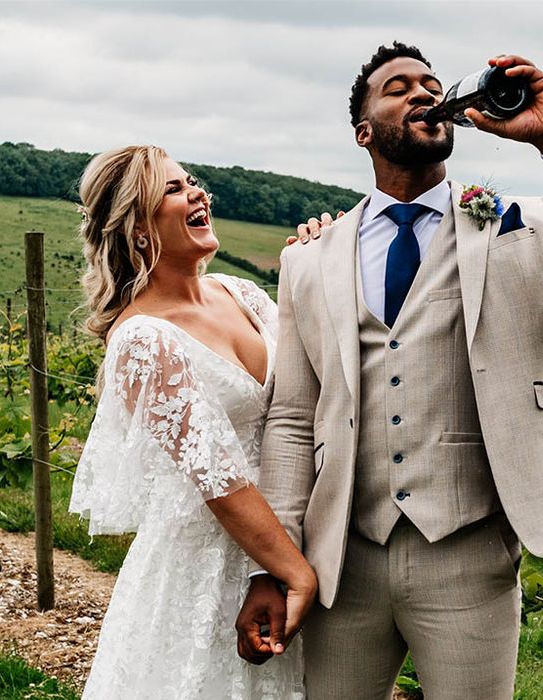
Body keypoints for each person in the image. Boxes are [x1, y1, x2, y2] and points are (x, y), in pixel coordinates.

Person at [236, 44, 543, 700]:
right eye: (398, 87)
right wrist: (278, 564)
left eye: (431, 85)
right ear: (364, 131)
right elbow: (292, 418)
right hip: (342, 561)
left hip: (471, 555)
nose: (422, 93)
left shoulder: (516, 226)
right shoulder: (309, 260)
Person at [68, 145, 315, 699]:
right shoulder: (142, 339)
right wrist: (295, 574)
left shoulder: (240, 292)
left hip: (290, 528)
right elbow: (219, 477)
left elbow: (308, 387)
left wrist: (317, 264)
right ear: (136, 228)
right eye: (173, 190)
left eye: (192, 182)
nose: (197, 194)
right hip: (207, 564)